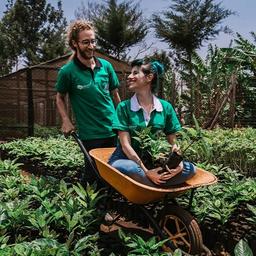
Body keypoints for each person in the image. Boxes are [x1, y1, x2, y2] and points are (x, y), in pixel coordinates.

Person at [108, 59, 196, 187]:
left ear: (149, 77)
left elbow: (173, 142)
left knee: (190, 169)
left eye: (135, 73)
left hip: (154, 162)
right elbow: (126, 146)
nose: (130, 77)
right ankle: (156, 184)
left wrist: (179, 164)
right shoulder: (124, 107)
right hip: (127, 159)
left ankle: (149, 183)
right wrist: (146, 172)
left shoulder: (165, 107)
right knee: (132, 169)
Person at [55, 20, 121, 184]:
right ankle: (88, 205)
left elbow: (115, 95)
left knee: (115, 171)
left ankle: (110, 204)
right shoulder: (67, 72)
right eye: (85, 42)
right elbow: (59, 97)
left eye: (93, 41)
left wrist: (122, 120)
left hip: (113, 129)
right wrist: (65, 120)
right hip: (90, 134)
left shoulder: (106, 66)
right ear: (74, 43)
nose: (91, 46)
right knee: (93, 174)